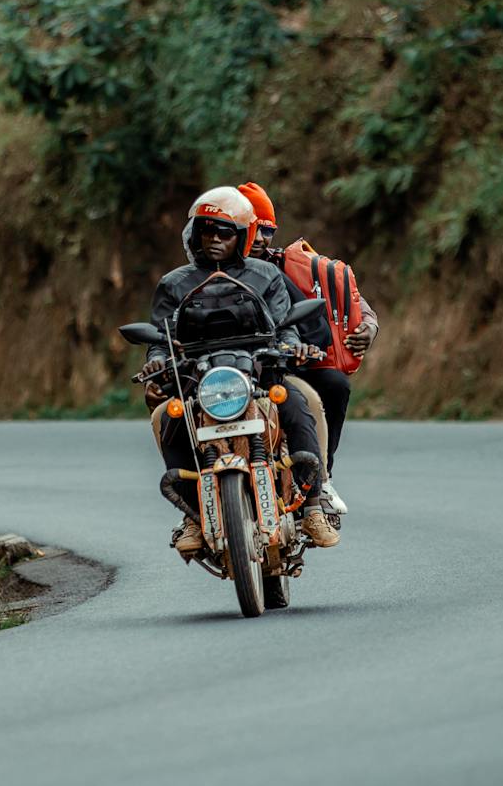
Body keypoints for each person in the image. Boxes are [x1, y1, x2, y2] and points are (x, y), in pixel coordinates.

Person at [141, 186, 338, 554]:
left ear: (242, 236)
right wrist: (155, 360)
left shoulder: (265, 275)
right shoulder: (174, 283)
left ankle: (313, 506)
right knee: (164, 418)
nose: (215, 238)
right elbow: (160, 336)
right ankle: (194, 517)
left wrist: (294, 347)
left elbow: (286, 324)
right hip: (200, 381)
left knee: (303, 401)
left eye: (225, 231)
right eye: (207, 229)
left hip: (261, 375)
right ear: (194, 233)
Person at [236, 181, 378, 513]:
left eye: (267, 230)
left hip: (282, 367)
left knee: (333, 385)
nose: (260, 238)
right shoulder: (200, 273)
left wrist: (369, 325)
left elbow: (347, 298)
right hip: (223, 371)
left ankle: (320, 479)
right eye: (253, 228)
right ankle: (193, 505)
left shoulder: (287, 267)